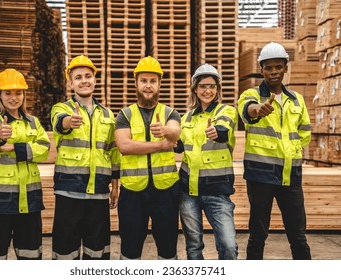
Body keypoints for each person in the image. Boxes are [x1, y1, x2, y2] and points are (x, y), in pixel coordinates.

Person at [237, 42, 312, 260]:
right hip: (260, 176)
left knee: (298, 234)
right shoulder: (251, 94)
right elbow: (247, 111)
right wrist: (257, 110)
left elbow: (305, 131)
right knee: (258, 234)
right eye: (268, 68)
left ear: (285, 68)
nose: (273, 72)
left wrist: (293, 151)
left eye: (278, 67)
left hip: (291, 175)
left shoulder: (296, 99)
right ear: (261, 69)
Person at [0, 69, 50, 260]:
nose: (13, 98)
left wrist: (13, 148)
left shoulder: (33, 122)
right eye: (7, 93)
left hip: (29, 202)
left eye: (18, 92)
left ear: (24, 95)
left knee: (31, 255)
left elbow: (43, 149)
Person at [50, 55, 120, 260]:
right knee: (66, 250)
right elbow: (58, 123)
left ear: (95, 80)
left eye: (88, 76)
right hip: (69, 192)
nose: (84, 80)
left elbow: (113, 151)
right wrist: (68, 122)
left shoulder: (108, 115)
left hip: (98, 192)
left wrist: (115, 186)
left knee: (97, 251)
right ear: (70, 83)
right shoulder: (61, 109)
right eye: (78, 77)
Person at [115, 56, 181, 260]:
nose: (148, 86)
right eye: (144, 80)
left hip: (166, 190)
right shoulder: (124, 115)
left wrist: (166, 131)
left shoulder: (170, 113)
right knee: (130, 248)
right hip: (133, 191)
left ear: (159, 83)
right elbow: (125, 146)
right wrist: (160, 145)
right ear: (136, 83)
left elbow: (175, 133)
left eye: (153, 81)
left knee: (168, 247)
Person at [175, 64, 238, 260]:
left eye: (212, 86)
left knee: (228, 245)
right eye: (203, 86)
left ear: (218, 89)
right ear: (195, 88)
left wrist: (216, 132)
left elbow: (223, 130)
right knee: (193, 246)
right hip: (188, 193)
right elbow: (178, 147)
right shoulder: (185, 118)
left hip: (218, 192)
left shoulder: (226, 111)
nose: (207, 90)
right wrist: (164, 135)